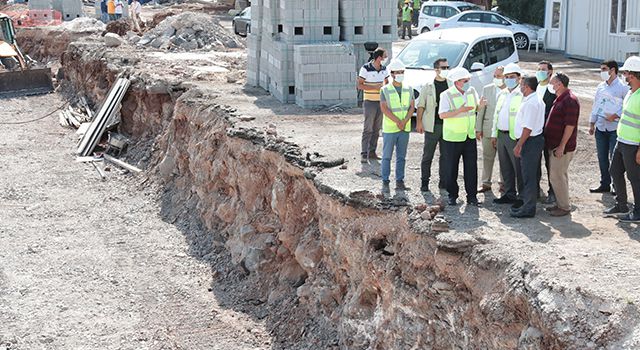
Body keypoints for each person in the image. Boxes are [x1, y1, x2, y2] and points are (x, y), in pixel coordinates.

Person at [439, 67, 485, 206]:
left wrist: (480, 106)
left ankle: (472, 196)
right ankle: (452, 195)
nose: (468, 83)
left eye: (468, 80)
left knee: (471, 168)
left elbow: (474, 109)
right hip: (453, 137)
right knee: (451, 168)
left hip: (469, 135)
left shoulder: (471, 91)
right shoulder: (446, 94)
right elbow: (442, 114)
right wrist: (459, 111)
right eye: (465, 80)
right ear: (457, 82)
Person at [606, 56, 640, 223]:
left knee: (635, 178)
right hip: (622, 141)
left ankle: (638, 211)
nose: (624, 76)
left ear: (632, 75)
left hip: (633, 145)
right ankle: (621, 205)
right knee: (615, 171)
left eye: (626, 73)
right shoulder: (630, 93)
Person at [588, 60, 629, 193]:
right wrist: (591, 123)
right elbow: (596, 105)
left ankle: (616, 186)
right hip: (601, 127)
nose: (602, 72)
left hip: (614, 129)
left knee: (614, 159)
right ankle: (604, 183)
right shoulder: (601, 87)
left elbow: (627, 106)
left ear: (613, 70)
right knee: (602, 158)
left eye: (604, 69)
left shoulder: (623, 87)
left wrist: (616, 115)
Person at [544, 72, 580, 217]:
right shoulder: (561, 98)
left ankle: (564, 207)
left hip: (562, 148)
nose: (550, 86)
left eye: (552, 83)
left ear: (559, 84)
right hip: (554, 145)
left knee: (557, 176)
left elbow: (570, 126)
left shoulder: (570, 100)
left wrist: (562, 146)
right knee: (557, 175)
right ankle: (560, 203)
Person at [511, 76, 546, 218]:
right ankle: (528, 204)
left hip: (529, 142)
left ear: (527, 86)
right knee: (531, 175)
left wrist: (519, 144)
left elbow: (528, 128)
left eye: (521, 85)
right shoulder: (533, 100)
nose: (520, 87)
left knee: (529, 176)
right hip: (532, 141)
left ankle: (529, 208)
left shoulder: (531, 103)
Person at [491, 63, 524, 207]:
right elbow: (496, 115)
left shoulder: (522, 94)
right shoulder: (502, 93)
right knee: (505, 167)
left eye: (512, 77)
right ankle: (509, 194)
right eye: (507, 77)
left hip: (514, 137)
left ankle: (522, 197)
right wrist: (494, 134)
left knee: (519, 168)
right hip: (501, 135)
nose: (509, 79)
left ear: (519, 78)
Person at [380, 59, 414, 191]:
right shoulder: (385, 90)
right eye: (398, 72)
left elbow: (412, 107)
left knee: (401, 157)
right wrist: (398, 121)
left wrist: (404, 121)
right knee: (387, 156)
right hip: (390, 128)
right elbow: (384, 108)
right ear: (392, 74)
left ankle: (400, 181)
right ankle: (385, 180)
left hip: (404, 128)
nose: (400, 74)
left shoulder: (408, 89)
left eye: (402, 72)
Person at [416, 58, 449, 192]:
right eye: (443, 68)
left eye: (447, 67)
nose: (446, 70)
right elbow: (421, 105)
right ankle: (425, 182)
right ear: (436, 69)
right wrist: (419, 122)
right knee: (427, 155)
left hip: (447, 126)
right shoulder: (428, 85)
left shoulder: (451, 84)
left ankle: (443, 181)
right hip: (432, 125)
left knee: (445, 156)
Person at [476, 66, 506, 193]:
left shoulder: (511, 91)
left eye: (499, 76)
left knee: (504, 159)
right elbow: (481, 110)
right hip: (488, 128)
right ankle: (485, 182)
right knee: (487, 157)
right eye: (495, 76)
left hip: (503, 130)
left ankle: (504, 183)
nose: (496, 78)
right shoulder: (487, 89)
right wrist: (478, 128)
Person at [357, 48, 389, 163]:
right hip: (369, 102)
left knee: (377, 128)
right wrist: (374, 88)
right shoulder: (365, 68)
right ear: (379, 57)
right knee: (368, 128)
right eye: (385, 56)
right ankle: (364, 153)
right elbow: (360, 85)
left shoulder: (385, 69)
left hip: (380, 102)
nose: (386, 58)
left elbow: (387, 84)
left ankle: (372, 152)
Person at [535, 61, 557, 203]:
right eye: (538, 69)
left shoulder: (553, 90)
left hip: (548, 133)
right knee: (535, 163)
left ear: (550, 72)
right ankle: (535, 190)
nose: (540, 72)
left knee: (550, 164)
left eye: (543, 69)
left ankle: (553, 191)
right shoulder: (535, 87)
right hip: (535, 133)